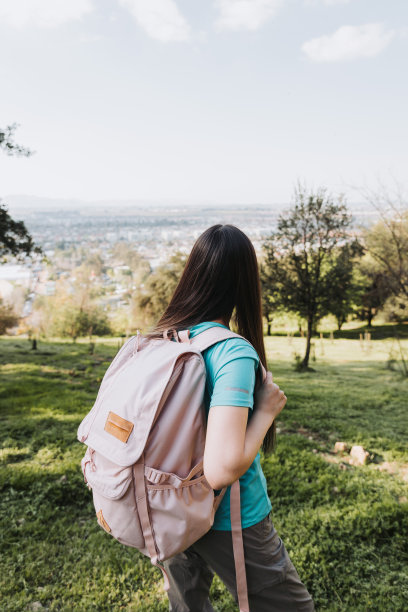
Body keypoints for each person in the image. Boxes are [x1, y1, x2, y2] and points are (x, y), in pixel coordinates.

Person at [147, 224, 315, 612]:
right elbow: (222, 470)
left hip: (170, 506)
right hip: (229, 516)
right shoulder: (231, 352)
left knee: (187, 606)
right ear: (244, 282)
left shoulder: (165, 337)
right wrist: (267, 411)